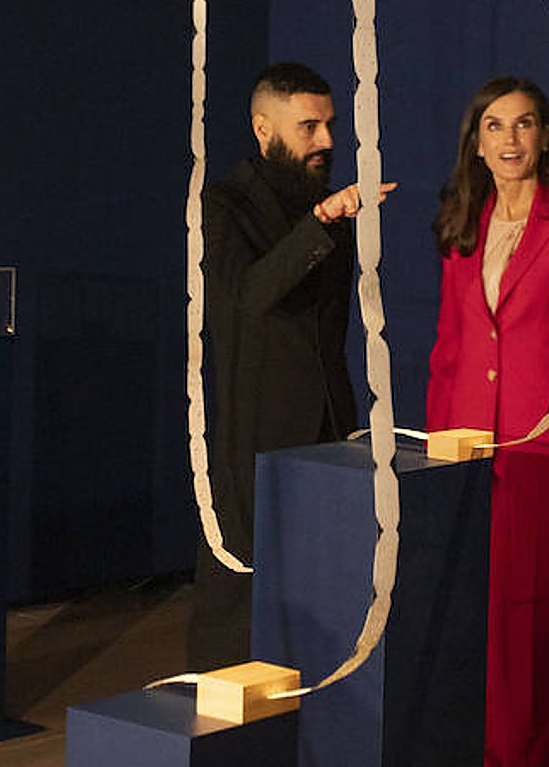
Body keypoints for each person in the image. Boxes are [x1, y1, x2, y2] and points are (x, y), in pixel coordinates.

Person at [426, 76, 549, 766]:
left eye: (525, 123)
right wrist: (433, 460)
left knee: (529, 631)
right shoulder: (461, 221)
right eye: (496, 126)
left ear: (545, 135)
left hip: (541, 454)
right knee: (471, 626)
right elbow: (449, 349)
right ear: (476, 142)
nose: (511, 139)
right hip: (465, 458)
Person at [188, 62, 394, 671]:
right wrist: (322, 224)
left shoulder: (321, 205)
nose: (327, 142)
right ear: (263, 128)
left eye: (329, 126)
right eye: (309, 127)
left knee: (323, 585)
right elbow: (246, 300)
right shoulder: (222, 205)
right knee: (239, 595)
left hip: (329, 428)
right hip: (256, 436)